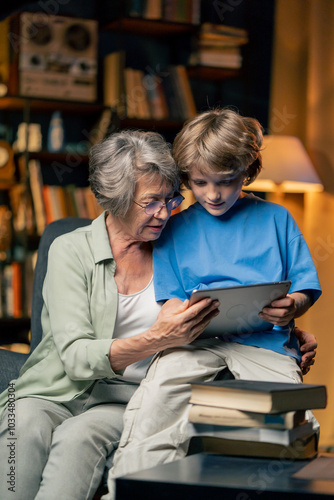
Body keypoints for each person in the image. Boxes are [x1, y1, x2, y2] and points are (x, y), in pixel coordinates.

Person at [104, 108, 321, 497]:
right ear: (186, 178)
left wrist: (294, 305)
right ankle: (127, 491)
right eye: (200, 183)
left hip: (265, 343)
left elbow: (304, 288)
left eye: (226, 181)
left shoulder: (276, 218)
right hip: (196, 342)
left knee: (292, 423)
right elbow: (169, 300)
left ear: (248, 172)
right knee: (155, 407)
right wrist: (179, 314)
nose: (213, 194)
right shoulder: (175, 227)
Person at [0, 130, 221, 500]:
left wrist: (285, 334)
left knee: (79, 437)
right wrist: (157, 337)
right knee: (20, 422)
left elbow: (228, 308)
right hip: (56, 390)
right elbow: (75, 357)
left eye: (171, 200)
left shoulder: (182, 248)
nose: (165, 213)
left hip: (131, 396)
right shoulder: (69, 249)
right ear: (116, 199)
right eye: (152, 202)